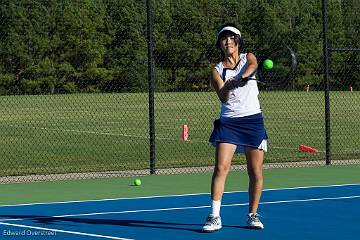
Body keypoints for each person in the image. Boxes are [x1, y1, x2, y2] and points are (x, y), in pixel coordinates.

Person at [202, 23, 268, 232]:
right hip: (229, 123)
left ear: (237, 41)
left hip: (252, 121)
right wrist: (229, 86)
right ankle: (214, 217)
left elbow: (252, 66)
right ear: (220, 44)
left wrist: (241, 78)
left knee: (255, 171)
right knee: (221, 168)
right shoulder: (217, 70)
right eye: (224, 38)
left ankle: (252, 214)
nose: (228, 41)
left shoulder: (248, 56)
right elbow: (223, 97)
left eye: (232, 38)